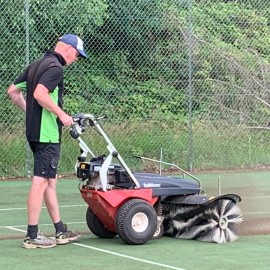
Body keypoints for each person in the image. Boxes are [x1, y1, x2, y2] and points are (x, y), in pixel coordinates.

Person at [7, 34, 87, 249]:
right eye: (77, 54)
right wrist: (62, 115)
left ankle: (60, 230)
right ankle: (32, 235)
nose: (77, 58)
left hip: (34, 132)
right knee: (41, 181)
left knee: (50, 181)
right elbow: (41, 94)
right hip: (47, 134)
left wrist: (30, 112)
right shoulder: (55, 68)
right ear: (68, 48)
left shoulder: (36, 65)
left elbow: (13, 91)